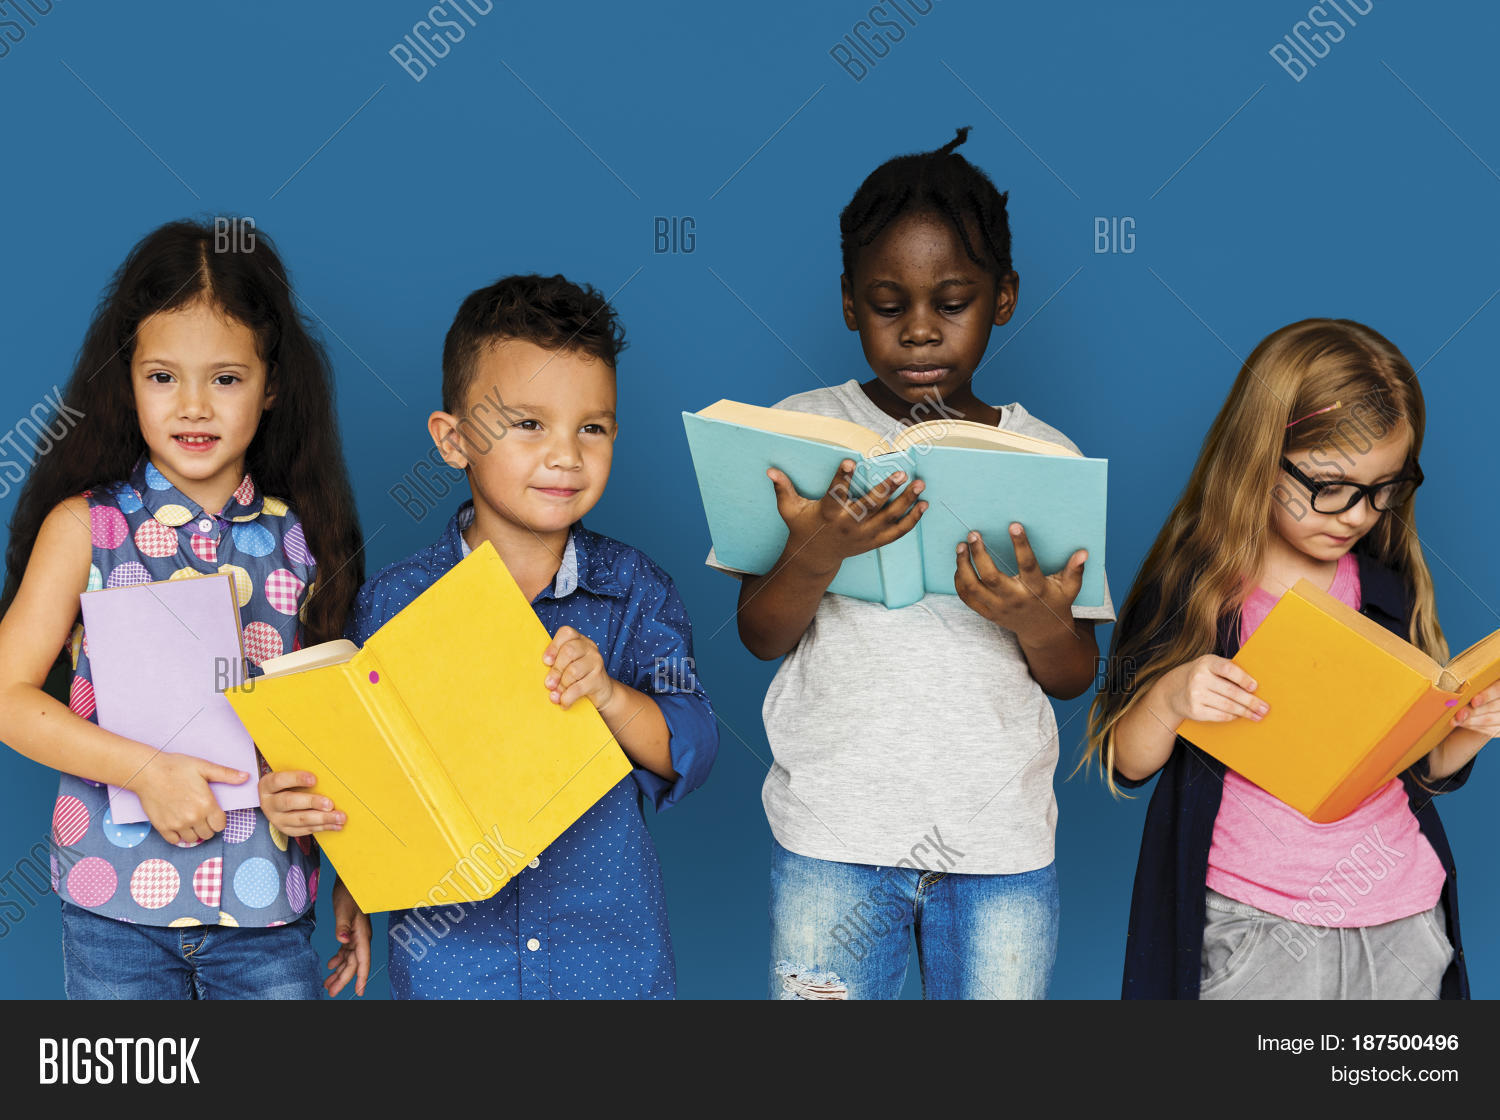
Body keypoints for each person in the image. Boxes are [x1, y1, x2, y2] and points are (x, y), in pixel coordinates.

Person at [721, 128, 1114, 999]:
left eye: (954, 301)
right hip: (832, 836)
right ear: (850, 304)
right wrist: (816, 552)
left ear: (1004, 297)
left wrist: (1035, 618)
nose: (921, 331)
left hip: (998, 846)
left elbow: (1074, 675)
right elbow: (758, 633)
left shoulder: (1045, 459)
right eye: (889, 305)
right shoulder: (802, 431)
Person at [292, 273, 718, 999]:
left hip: (610, 968)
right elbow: (372, 777)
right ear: (454, 441)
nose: (566, 454)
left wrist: (610, 696)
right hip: (454, 970)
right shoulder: (392, 602)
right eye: (528, 424)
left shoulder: (638, 592)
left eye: (593, 426)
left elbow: (692, 749)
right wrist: (354, 888)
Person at [0, 218, 364, 998]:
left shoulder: (302, 538)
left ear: (271, 386)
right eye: (163, 376)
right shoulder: (83, 529)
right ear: (125, 381)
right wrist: (143, 770)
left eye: (226, 378)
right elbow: (5, 695)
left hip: (268, 910)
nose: (193, 405)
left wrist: (330, 831)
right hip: (114, 914)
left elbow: (339, 727)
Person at [1085, 317, 1495, 998]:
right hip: (1255, 921)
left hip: (1402, 909)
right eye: (1330, 486)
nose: (1358, 515)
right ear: (1260, 455)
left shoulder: (1385, 588)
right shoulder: (1196, 591)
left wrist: (1467, 732)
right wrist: (1168, 697)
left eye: (1384, 489)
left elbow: (1415, 768)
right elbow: (1126, 760)